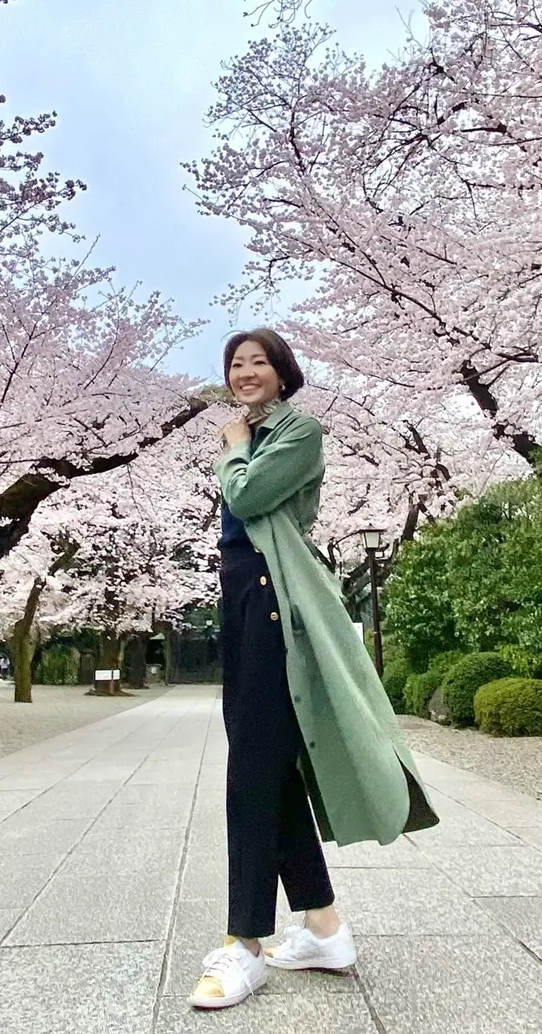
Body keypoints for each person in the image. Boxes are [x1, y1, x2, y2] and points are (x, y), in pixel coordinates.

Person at [190, 329, 439, 1011]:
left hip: (275, 599)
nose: (245, 372)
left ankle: (243, 943)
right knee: (267, 767)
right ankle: (323, 928)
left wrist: (233, 449)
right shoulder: (254, 432)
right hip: (243, 593)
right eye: (235, 363)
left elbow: (247, 498)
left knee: (251, 772)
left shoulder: (298, 432)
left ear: (282, 372)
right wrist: (238, 445)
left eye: (258, 362)